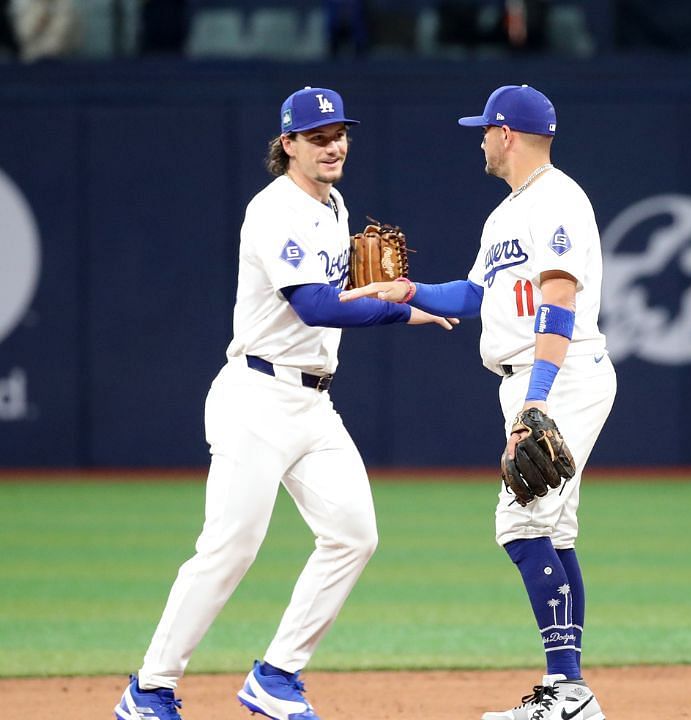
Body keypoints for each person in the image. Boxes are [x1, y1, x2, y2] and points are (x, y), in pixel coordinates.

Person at [113, 86, 456, 720]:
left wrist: (403, 307)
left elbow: (344, 298)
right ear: (288, 145)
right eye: (319, 137)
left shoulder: (335, 207)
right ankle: (150, 688)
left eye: (341, 134)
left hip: (313, 405)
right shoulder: (273, 210)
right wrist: (403, 305)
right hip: (256, 398)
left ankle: (276, 675)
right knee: (230, 546)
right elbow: (316, 305)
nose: (335, 145)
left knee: (354, 535)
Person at [341, 84, 614, 720]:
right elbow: (473, 296)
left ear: (508, 134)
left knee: (519, 525)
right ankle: (570, 692)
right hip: (529, 378)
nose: (481, 139)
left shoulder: (559, 201)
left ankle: (566, 692)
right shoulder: (505, 214)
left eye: (485, 129)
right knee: (554, 530)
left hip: (558, 374)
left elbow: (559, 301)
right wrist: (404, 290)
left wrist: (535, 405)